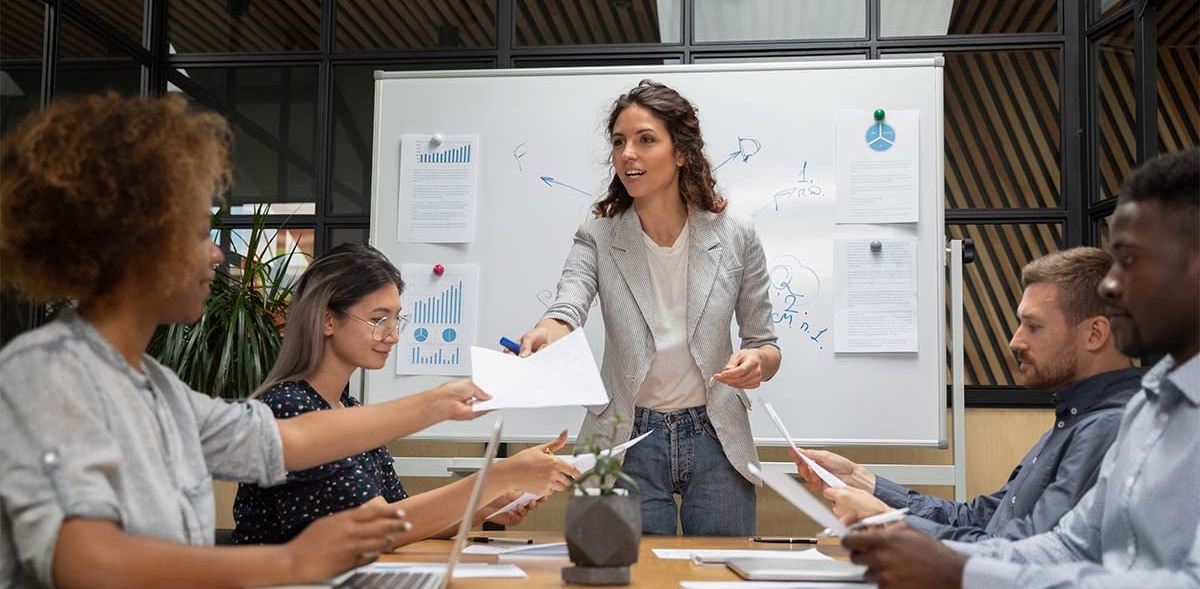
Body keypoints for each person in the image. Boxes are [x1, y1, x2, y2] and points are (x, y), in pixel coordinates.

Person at [0, 93, 487, 588]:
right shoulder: (46, 373)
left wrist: (440, 402)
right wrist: (292, 563)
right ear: (133, 245)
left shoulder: (156, 387)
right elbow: (88, 564)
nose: (216, 255)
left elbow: (281, 440)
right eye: (198, 234)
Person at [840, 148, 1199, 588]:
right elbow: (1068, 546)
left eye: (1129, 259)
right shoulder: (1149, 409)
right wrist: (939, 556)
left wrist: (951, 565)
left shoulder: (1111, 421)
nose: (1110, 283)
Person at [516, 80, 782, 536]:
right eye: (619, 142)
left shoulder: (736, 232)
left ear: (681, 153)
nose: (628, 154)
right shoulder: (599, 232)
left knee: (720, 578)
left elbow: (765, 344)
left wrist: (756, 362)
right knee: (624, 577)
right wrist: (550, 328)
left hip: (715, 433)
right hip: (627, 436)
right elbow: (569, 300)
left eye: (645, 140)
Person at [233, 243, 580, 545]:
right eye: (378, 320)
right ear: (327, 321)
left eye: (397, 320)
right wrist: (498, 476)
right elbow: (382, 527)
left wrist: (488, 503)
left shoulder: (350, 408)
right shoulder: (289, 407)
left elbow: (404, 517)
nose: (393, 336)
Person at [793, 247, 1140, 542]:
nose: (1015, 341)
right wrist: (863, 482)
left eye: (1033, 326)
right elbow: (981, 519)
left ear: (1095, 334)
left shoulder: (1109, 429)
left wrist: (892, 522)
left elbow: (1019, 555)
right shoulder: (1074, 420)